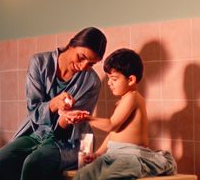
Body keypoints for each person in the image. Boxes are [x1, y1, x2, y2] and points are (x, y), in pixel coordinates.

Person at [0, 27, 107, 180]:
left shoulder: (92, 82)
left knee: (35, 162)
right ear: (71, 45)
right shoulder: (39, 63)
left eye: (90, 64)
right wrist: (53, 104)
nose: (83, 67)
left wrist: (67, 117)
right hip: (35, 133)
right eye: (81, 57)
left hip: (70, 140)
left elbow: (76, 124)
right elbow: (33, 110)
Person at [68, 48, 177, 180]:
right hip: (113, 155)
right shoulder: (122, 101)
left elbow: (111, 125)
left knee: (111, 176)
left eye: (114, 79)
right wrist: (97, 154)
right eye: (108, 78)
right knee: (84, 174)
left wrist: (87, 118)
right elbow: (113, 134)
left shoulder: (133, 98)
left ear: (130, 80)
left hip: (130, 156)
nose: (109, 83)